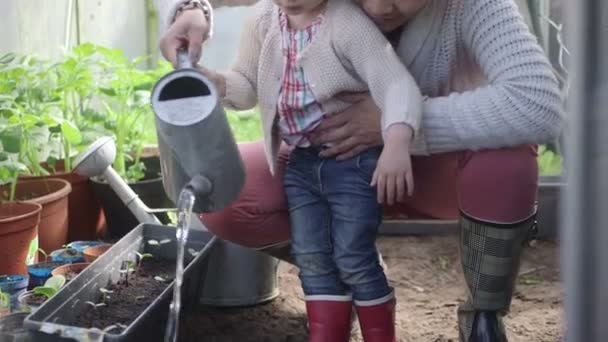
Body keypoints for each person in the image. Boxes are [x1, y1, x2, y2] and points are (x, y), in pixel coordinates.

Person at [157, 0, 564, 341]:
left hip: (436, 173)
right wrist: (193, 10)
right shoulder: (293, 14)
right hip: (326, 163)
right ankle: (340, 280)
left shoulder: (474, 6)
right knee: (229, 194)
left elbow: (537, 103)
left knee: (506, 163)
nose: (380, 6)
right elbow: (244, 74)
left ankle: (484, 313)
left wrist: (394, 126)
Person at [193, 0, 423, 340]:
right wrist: (220, 83)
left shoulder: (345, 23)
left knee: (352, 252)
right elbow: (247, 85)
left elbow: (396, 84)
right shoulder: (265, 21)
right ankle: (327, 332)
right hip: (301, 161)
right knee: (311, 252)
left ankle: (380, 332)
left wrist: (397, 141)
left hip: (351, 160)